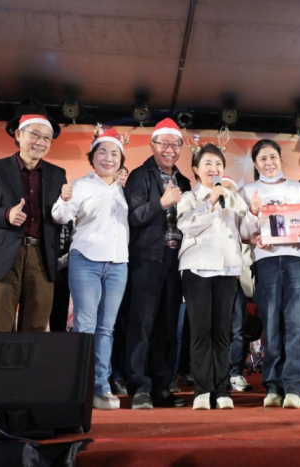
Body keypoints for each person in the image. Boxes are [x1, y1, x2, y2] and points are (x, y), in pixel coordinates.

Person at [177, 143, 259, 410]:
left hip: (227, 270)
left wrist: (253, 213)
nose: (214, 169)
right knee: (201, 332)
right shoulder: (189, 197)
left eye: (218, 164)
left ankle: (223, 390)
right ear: (196, 169)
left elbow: (246, 231)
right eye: (208, 164)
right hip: (197, 269)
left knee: (223, 332)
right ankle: (202, 390)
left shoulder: (232, 196)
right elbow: (186, 225)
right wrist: (210, 201)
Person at [53, 127, 129, 410]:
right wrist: (64, 198)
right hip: (85, 260)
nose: (108, 158)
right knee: (85, 325)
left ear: (121, 159)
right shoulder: (82, 185)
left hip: (118, 263)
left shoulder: (124, 189)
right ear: (92, 157)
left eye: (114, 153)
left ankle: (101, 386)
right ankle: (78, 386)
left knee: (106, 329)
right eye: (102, 152)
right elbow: (60, 216)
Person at [0, 106, 67, 332]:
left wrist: (67, 203)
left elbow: (60, 216)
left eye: (46, 138)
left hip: (42, 257)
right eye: (35, 135)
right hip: (3, 256)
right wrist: (7, 214)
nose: (40, 142)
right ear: (18, 135)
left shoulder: (58, 174)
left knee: (36, 327)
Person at [241, 140, 300, 409]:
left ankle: (295, 387)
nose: (269, 162)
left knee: (298, 323)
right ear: (255, 163)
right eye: (263, 159)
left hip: (296, 259)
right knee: (271, 326)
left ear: (280, 158)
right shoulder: (247, 190)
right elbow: (243, 232)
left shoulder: (297, 188)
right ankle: (273, 386)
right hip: (266, 262)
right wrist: (253, 214)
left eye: (273, 156)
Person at [124, 118, 191, 410]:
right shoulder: (140, 176)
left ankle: (162, 386)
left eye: (175, 144)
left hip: (175, 262)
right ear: (152, 145)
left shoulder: (185, 181)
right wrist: (161, 203)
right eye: (164, 143)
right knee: (141, 324)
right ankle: (139, 387)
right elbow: (133, 216)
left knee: (167, 327)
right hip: (146, 260)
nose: (169, 149)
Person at [222, 176, 254, 394]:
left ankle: (235, 373)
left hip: (239, 280)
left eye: (231, 188)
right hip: (214, 278)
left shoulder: (242, 217)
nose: (227, 192)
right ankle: (216, 374)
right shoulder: (211, 214)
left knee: (238, 330)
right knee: (215, 330)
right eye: (223, 188)